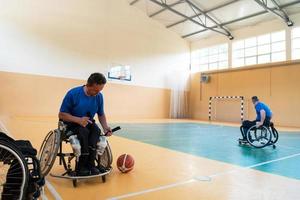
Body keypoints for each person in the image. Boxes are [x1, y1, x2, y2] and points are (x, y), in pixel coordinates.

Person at [58, 73, 112, 176]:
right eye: (96, 90)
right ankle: (81, 165)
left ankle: (91, 164)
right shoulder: (73, 94)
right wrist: (78, 120)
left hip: (88, 122)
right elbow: (61, 114)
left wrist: (105, 127)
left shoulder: (99, 96)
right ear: (89, 85)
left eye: (100, 91)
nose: (97, 93)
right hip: (72, 123)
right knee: (84, 132)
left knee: (96, 131)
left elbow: (100, 114)